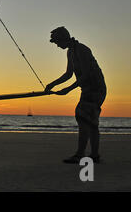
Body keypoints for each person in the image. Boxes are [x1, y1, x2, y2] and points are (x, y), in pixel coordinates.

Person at [45, 27, 106, 164]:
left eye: (57, 42)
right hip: (88, 89)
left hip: (95, 89)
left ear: (64, 39)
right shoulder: (70, 52)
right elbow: (69, 74)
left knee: (83, 118)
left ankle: (80, 155)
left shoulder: (82, 50)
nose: (56, 45)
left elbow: (86, 75)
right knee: (91, 122)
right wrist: (52, 84)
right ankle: (94, 155)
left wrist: (68, 89)